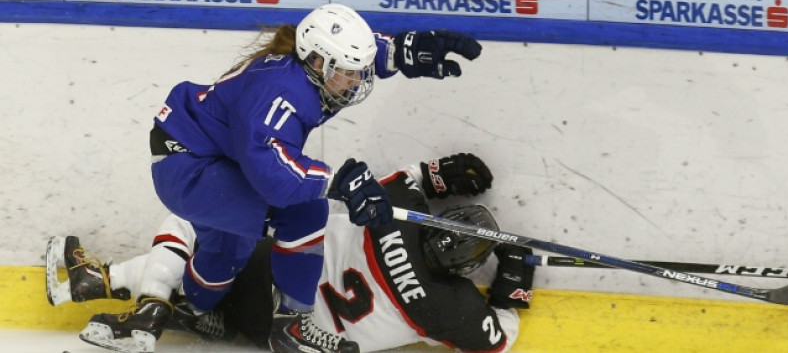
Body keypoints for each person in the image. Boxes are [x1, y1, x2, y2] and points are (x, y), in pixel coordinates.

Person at [76, 3, 482, 353]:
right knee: (305, 213)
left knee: (228, 253)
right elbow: (270, 173)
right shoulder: (281, 94)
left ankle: (195, 309)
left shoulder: (314, 70)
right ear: (318, 62)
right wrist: (336, 181)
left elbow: (354, 55)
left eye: (358, 71)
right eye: (349, 72)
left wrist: (400, 51)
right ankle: (290, 328)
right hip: (190, 167)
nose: (357, 81)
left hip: (212, 158)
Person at [47, 153, 535, 353]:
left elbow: (406, 180)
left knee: (199, 220)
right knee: (217, 258)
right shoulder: (453, 309)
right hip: (282, 336)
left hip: (266, 274)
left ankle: (108, 285)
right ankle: (197, 314)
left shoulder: (401, 215)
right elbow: (497, 339)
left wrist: (439, 172)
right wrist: (513, 290)